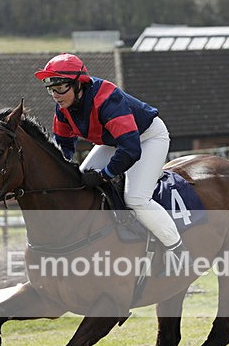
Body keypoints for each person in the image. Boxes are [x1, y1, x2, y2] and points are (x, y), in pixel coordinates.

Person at [34, 53, 186, 267]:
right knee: (78, 184)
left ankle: (177, 249)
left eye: (60, 87)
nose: (56, 95)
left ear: (79, 84)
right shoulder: (63, 108)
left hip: (148, 138)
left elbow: (131, 149)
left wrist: (104, 175)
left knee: (136, 199)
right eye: (51, 89)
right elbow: (64, 148)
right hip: (114, 141)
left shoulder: (107, 99)